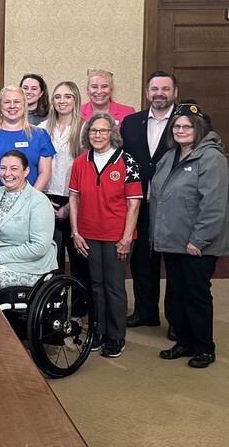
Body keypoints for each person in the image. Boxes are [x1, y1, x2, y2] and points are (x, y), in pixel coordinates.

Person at [150, 102, 229, 369]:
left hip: (197, 244)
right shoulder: (170, 155)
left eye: (186, 126)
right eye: (177, 126)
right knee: (177, 293)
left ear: (199, 128)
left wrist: (199, 239)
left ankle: (204, 348)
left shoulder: (212, 158)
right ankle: (183, 341)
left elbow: (214, 205)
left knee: (196, 294)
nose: (181, 130)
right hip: (172, 240)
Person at [69, 113, 142, 358]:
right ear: (87, 134)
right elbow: (74, 198)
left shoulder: (127, 161)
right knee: (96, 285)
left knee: (114, 286)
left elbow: (134, 205)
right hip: (88, 233)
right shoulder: (80, 162)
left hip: (116, 235)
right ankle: (98, 331)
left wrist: (125, 238)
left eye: (103, 131)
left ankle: (116, 336)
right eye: (93, 131)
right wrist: (75, 232)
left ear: (112, 133)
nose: (97, 135)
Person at [121, 71, 178, 332]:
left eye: (165, 89)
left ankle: (178, 321)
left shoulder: (185, 122)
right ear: (146, 93)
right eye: (154, 89)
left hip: (174, 206)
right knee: (143, 260)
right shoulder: (131, 122)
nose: (159, 94)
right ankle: (146, 311)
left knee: (177, 266)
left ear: (175, 92)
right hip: (140, 203)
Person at [0, 150, 57, 298]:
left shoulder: (38, 201)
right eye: (3, 168)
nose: (7, 173)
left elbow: (38, 246)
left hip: (26, 266)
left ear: (26, 171)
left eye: (14, 168)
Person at [38, 82, 89, 301]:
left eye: (67, 97)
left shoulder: (86, 128)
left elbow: (89, 170)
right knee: (51, 257)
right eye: (57, 97)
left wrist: (70, 205)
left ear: (75, 100)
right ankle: (53, 307)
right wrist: (42, 200)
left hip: (76, 199)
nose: (62, 101)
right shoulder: (41, 128)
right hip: (46, 198)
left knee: (79, 259)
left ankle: (79, 310)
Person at [0, 86, 55, 195]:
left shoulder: (40, 135)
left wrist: (29, 200)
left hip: (29, 204)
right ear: (0, 106)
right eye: (7, 102)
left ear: (24, 105)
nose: (12, 106)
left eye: (17, 102)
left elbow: (45, 173)